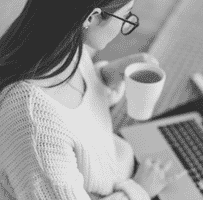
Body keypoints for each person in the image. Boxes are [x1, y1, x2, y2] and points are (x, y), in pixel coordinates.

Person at [0, 0, 186, 199]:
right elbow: (54, 126)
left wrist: (106, 76)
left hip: (116, 169)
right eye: (126, 15)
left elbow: (72, 112)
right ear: (92, 17)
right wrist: (139, 190)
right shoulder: (35, 125)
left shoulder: (62, 46)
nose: (126, 23)